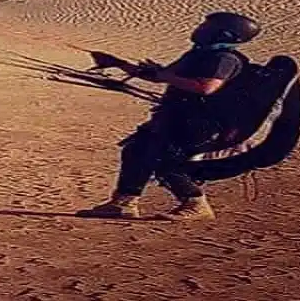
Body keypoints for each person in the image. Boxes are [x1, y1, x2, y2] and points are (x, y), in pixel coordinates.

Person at [75, 11, 261, 222]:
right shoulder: (199, 54)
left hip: (199, 123)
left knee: (167, 161)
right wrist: (117, 63)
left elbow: (206, 87)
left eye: (207, 26)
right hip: (174, 117)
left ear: (226, 35)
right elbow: (161, 76)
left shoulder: (224, 59)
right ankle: (123, 203)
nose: (200, 29)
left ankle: (196, 204)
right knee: (137, 150)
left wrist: (164, 75)